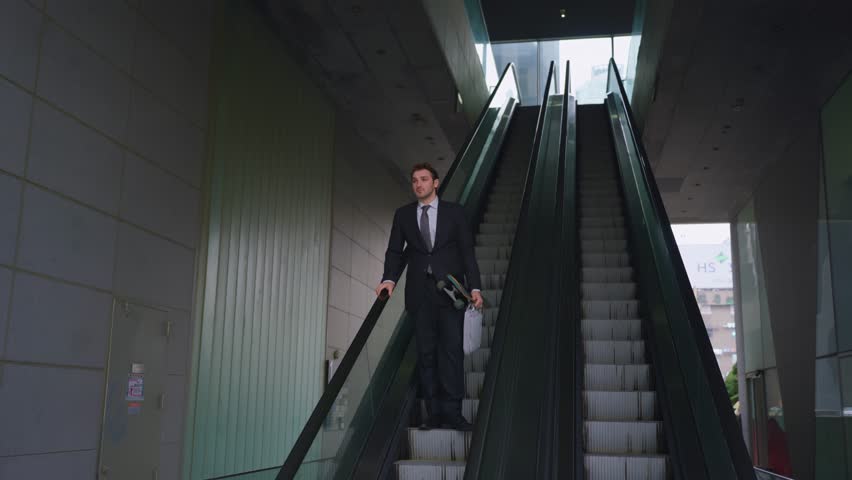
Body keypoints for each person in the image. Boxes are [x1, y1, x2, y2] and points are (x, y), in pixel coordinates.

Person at [375, 163, 483, 431]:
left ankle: (454, 413)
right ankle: (433, 414)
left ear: (435, 183)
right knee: (426, 355)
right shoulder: (403, 216)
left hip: (451, 293)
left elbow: (467, 252)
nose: (418, 184)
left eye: (424, 179)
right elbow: (394, 251)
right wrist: (387, 280)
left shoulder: (454, 213)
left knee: (451, 354)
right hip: (419, 294)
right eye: (414, 180)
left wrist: (476, 288)